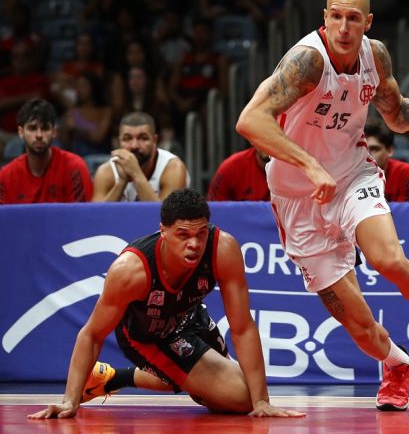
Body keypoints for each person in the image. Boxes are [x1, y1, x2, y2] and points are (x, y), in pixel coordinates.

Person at [235, 0, 409, 412]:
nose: (343, 26)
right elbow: (250, 121)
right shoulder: (306, 62)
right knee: (358, 325)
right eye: (336, 16)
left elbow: (397, 117)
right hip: (297, 195)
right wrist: (309, 164)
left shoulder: (374, 56)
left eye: (353, 18)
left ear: (367, 22)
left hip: (353, 175)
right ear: (324, 17)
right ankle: (396, 363)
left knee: (388, 259)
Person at [28, 188, 304, 419]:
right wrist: (69, 401)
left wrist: (263, 402)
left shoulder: (223, 249)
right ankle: (117, 378)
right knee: (239, 399)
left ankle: (110, 377)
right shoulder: (130, 271)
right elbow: (92, 334)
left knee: (248, 395)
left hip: (189, 317)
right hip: (147, 337)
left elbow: (242, 327)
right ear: (164, 231)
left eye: (200, 234)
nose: (194, 244)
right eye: (183, 235)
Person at [0, 98, 93, 204]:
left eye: (45, 128)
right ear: (21, 132)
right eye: (32, 128)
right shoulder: (6, 176)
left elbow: (81, 217)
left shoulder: (74, 168)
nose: (39, 135)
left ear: (54, 132)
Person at [92, 112, 189, 202]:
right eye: (127, 138)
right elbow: (96, 218)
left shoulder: (173, 168)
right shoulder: (106, 171)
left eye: (143, 138)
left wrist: (136, 173)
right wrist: (121, 182)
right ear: (119, 142)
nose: (134, 145)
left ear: (155, 141)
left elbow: (165, 217)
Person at [364, 119, 409, 202]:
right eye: (363, 149)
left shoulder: (405, 172)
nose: (367, 155)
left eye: (374, 149)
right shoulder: (349, 174)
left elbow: (408, 213)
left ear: (390, 151)